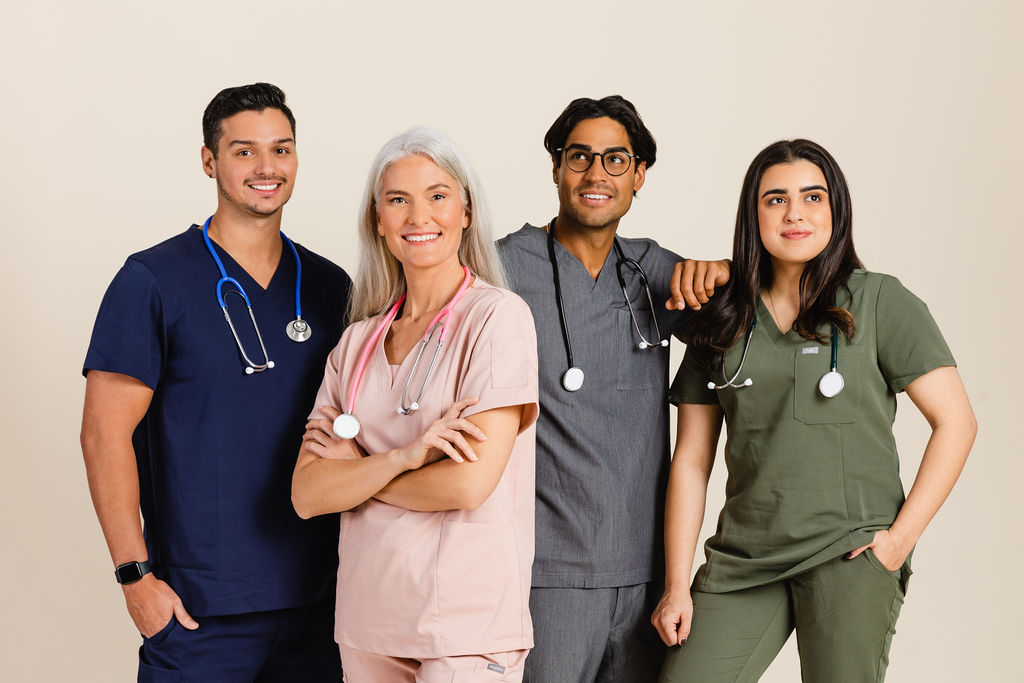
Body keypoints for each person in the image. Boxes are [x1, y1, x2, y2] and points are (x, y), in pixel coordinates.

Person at [652, 139, 978, 682]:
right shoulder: (723, 318)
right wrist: (677, 583)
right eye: (775, 199)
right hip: (744, 559)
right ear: (752, 215)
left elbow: (957, 422)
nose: (795, 212)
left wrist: (897, 543)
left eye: (812, 196)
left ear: (836, 210)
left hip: (848, 554)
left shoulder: (878, 301)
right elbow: (691, 460)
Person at [80, 83, 350, 682]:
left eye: (281, 150)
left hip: (320, 605)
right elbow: (103, 437)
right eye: (243, 151)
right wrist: (135, 579)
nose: (266, 168)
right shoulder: (153, 280)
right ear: (209, 160)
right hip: (198, 610)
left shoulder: (333, 288)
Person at [292, 126, 539, 683]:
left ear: (466, 211)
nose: (417, 216)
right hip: (367, 621)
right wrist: (406, 458)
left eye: (437, 195)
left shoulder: (497, 319)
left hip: (465, 624)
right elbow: (307, 495)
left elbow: (467, 485)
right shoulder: (355, 345)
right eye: (397, 200)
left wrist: (356, 475)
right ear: (377, 220)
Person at [496, 95, 728, 683]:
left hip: (649, 577)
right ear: (555, 168)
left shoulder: (651, 270)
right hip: (543, 574)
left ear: (639, 175)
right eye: (579, 157)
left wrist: (728, 272)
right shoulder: (500, 270)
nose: (596, 174)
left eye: (616, 160)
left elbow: (756, 311)